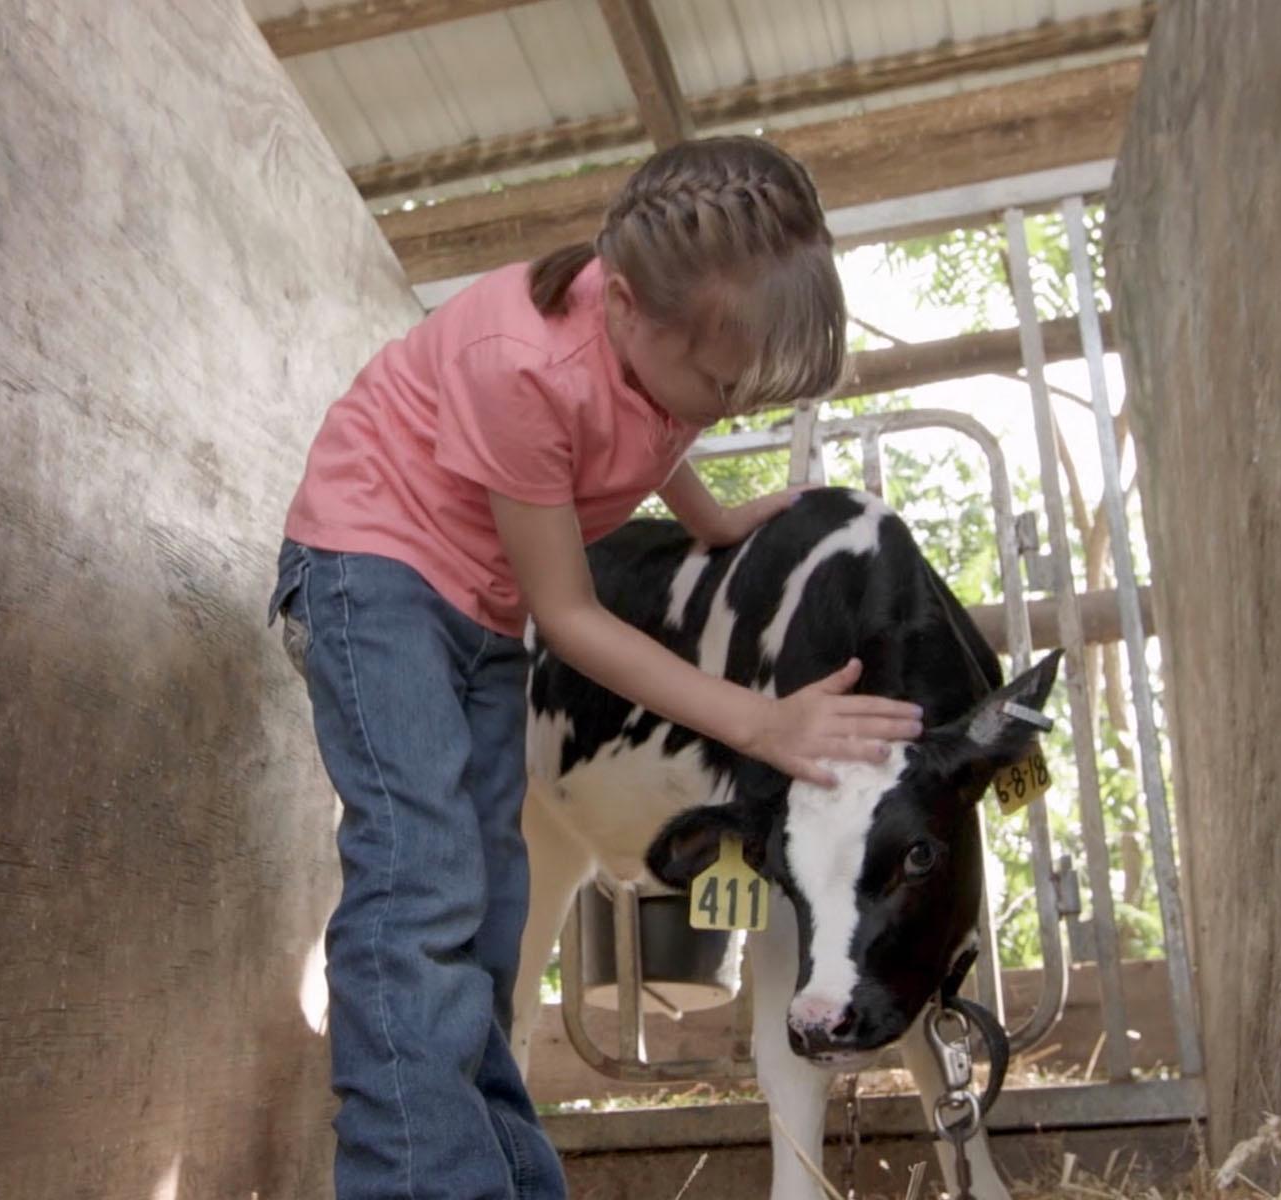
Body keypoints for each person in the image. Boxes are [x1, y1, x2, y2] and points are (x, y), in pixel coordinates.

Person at [267, 135, 924, 1200]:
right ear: (621, 303)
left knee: (490, 906)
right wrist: (755, 725)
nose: (726, 406)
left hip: (472, 607)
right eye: (722, 380)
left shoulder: (648, 346)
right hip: (370, 574)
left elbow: (651, 428)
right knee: (420, 882)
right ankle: (413, 1184)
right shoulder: (521, 363)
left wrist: (712, 522)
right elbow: (570, 617)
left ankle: (502, 1178)